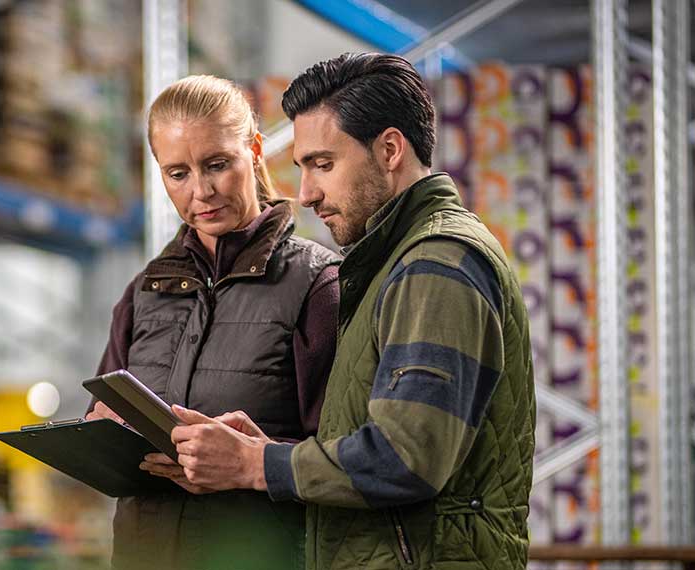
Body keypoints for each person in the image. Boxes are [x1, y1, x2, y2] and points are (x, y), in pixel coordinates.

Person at [143, 53, 536, 569]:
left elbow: (407, 457)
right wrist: (269, 451)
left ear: (390, 150)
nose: (305, 193)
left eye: (323, 164)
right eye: (303, 167)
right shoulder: (392, 263)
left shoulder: (437, 263)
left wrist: (257, 463)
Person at [87, 74, 341, 570]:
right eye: (177, 174)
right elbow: (102, 409)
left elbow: (347, 457)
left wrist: (252, 461)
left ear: (254, 149)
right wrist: (102, 431)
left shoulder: (317, 283)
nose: (201, 191)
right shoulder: (144, 293)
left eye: (217, 165)